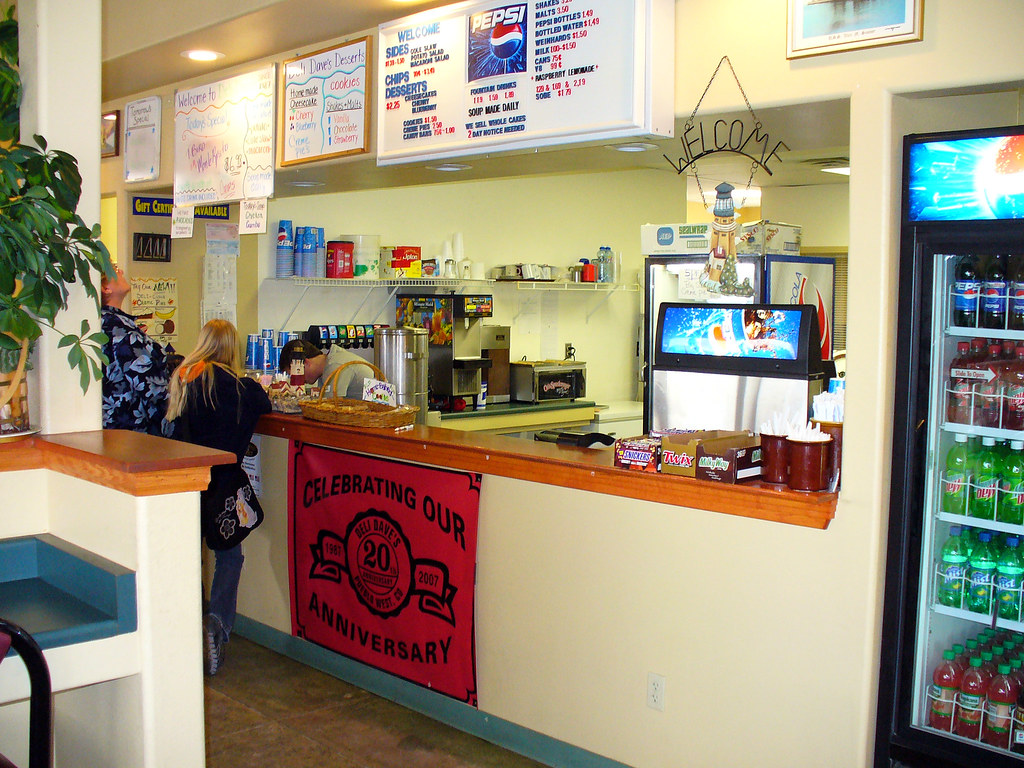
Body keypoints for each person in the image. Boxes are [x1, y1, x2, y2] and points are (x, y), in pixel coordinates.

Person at [166, 319, 271, 675]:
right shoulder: (239, 388)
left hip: (185, 482)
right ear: (231, 348)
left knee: (183, 558)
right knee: (230, 559)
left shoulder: (184, 379)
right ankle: (217, 624)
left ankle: (179, 630)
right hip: (224, 486)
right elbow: (265, 404)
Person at [100, 265, 174, 436]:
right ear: (106, 289)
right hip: (135, 434)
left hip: (112, 431)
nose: (122, 272)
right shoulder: (120, 331)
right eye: (114, 270)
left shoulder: (100, 323)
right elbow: (152, 387)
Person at [278, 338, 371, 397]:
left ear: (305, 363)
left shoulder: (336, 366)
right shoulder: (326, 368)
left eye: (296, 374)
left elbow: (332, 409)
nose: (300, 381)